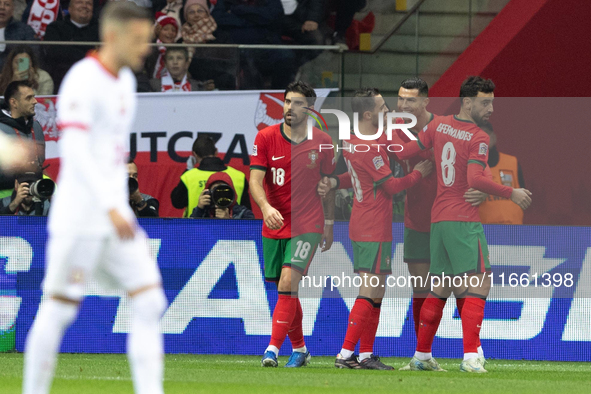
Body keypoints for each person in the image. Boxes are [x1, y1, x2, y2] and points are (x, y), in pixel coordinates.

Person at [22, 4, 167, 394]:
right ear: (112, 37)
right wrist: (109, 204)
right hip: (81, 217)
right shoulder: (83, 81)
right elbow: (77, 151)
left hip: (113, 214)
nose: (146, 48)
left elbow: (110, 153)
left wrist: (118, 205)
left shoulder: (125, 83)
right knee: (58, 310)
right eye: (139, 40)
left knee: (151, 301)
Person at [392, 76, 532, 373]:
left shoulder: (437, 124)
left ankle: (421, 355)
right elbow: (475, 180)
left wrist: (379, 143)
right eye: (485, 102)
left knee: (440, 287)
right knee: (479, 283)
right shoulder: (478, 136)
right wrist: (512, 192)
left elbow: (405, 151)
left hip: (438, 219)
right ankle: (470, 357)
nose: (491, 108)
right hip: (463, 219)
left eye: (492, 102)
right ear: (467, 102)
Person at [318, 88, 432, 369]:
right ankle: (345, 354)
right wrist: (419, 173)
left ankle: (366, 354)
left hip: (368, 223)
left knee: (377, 292)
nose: (388, 111)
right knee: (369, 290)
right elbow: (391, 186)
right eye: (382, 108)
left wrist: (334, 182)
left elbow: (357, 176)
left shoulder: (355, 140)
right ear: (368, 114)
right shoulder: (368, 148)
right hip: (372, 227)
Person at [392, 78, 487, 359]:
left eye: (410, 100)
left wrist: (481, 191)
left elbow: (477, 163)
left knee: (461, 287)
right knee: (422, 289)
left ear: (425, 102)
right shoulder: (396, 133)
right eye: (400, 99)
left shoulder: (444, 125)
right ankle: (423, 353)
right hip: (417, 220)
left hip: (451, 218)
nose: (403, 105)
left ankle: (472, 349)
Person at [250, 81, 335, 368]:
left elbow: (329, 183)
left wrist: (330, 221)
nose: (290, 107)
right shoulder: (265, 137)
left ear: (309, 109)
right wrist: (265, 207)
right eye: (287, 101)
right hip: (274, 222)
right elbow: (254, 180)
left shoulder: (322, 141)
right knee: (285, 289)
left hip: (308, 222)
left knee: (288, 281)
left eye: (297, 103)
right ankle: (300, 349)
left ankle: (272, 349)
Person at [212, 0, 297, 89]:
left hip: (265, 47)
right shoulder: (225, 1)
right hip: (233, 49)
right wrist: (253, 20)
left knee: (286, 56)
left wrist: (238, 10)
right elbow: (218, 19)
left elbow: (272, 16)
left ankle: (277, 95)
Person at [170, 134, 250, 217]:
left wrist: (188, 170)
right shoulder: (239, 176)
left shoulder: (188, 177)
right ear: (216, 152)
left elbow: (177, 203)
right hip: (234, 227)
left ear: (195, 154)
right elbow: (247, 217)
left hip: (197, 227)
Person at [0, 80, 44, 198]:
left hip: (34, 198)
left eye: (34, 97)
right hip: (5, 205)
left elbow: (41, 163)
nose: (35, 102)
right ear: (14, 103)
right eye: (28, 98)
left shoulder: (37, 127)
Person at [43, 0, 99, 93]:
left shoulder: (102, 29)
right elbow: (54, 53)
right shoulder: (55, 28)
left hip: (95, 81)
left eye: (89, 3)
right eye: (79, 2)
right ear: (69, 9)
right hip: (62, 81)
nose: (84, 6)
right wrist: (90, 53)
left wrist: (70, 46)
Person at [478, 122, 526, 224]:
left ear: (494, 137)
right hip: (484, 232)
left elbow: (524, 196)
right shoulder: (469, 167)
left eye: (485, 133)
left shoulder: (512, 162)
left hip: (514, 230)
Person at [190, 171, 255, 219]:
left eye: (224, 191)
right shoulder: (204, 212)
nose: (220, 196)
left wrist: (228, 222)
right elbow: (190, 233)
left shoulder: (243, 214)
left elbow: (249, 236)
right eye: (216, 191)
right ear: (209, 193)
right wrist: (199, 209)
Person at [281, 0, 325, 66]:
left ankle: (296, 69)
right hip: (267, 17)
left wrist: (312, 18)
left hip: (298, 18)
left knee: (317, 40)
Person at [0, 0, 37, 70]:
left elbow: (34, 55)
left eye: (7, 5)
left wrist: (19, 73)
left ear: (13, 9)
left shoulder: (25, 30)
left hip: (16, 74)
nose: (2, 7)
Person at [145, 12, 179, 79]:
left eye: (173, 30)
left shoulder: (179, 50)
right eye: (165, 29)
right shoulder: (151, 47)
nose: (170, 33)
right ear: (158, 31)